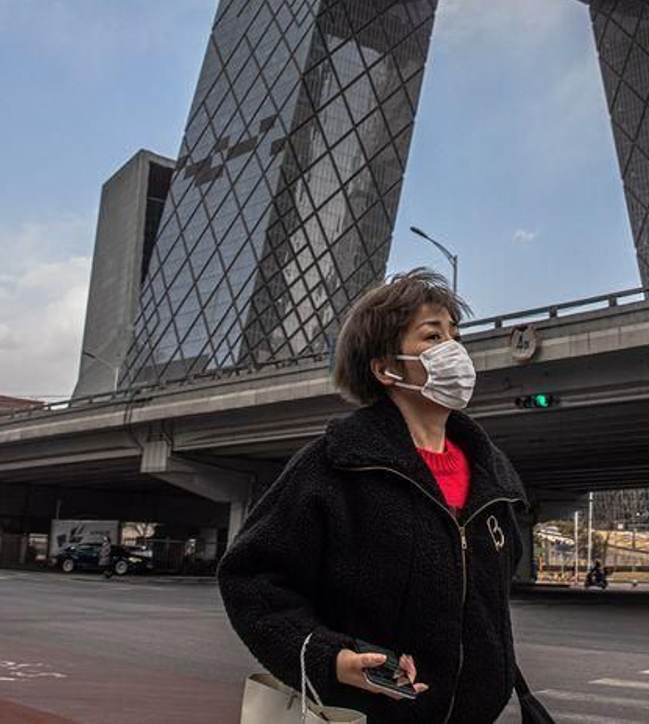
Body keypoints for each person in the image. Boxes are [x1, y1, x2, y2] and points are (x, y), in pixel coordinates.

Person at [219, 269, 534, 723]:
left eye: (455, 335)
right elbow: (251, 581)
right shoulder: (334, 467)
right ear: (386, 368)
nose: (454, 350)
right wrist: (332, 658)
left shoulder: (494, 478)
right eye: (432, 336)